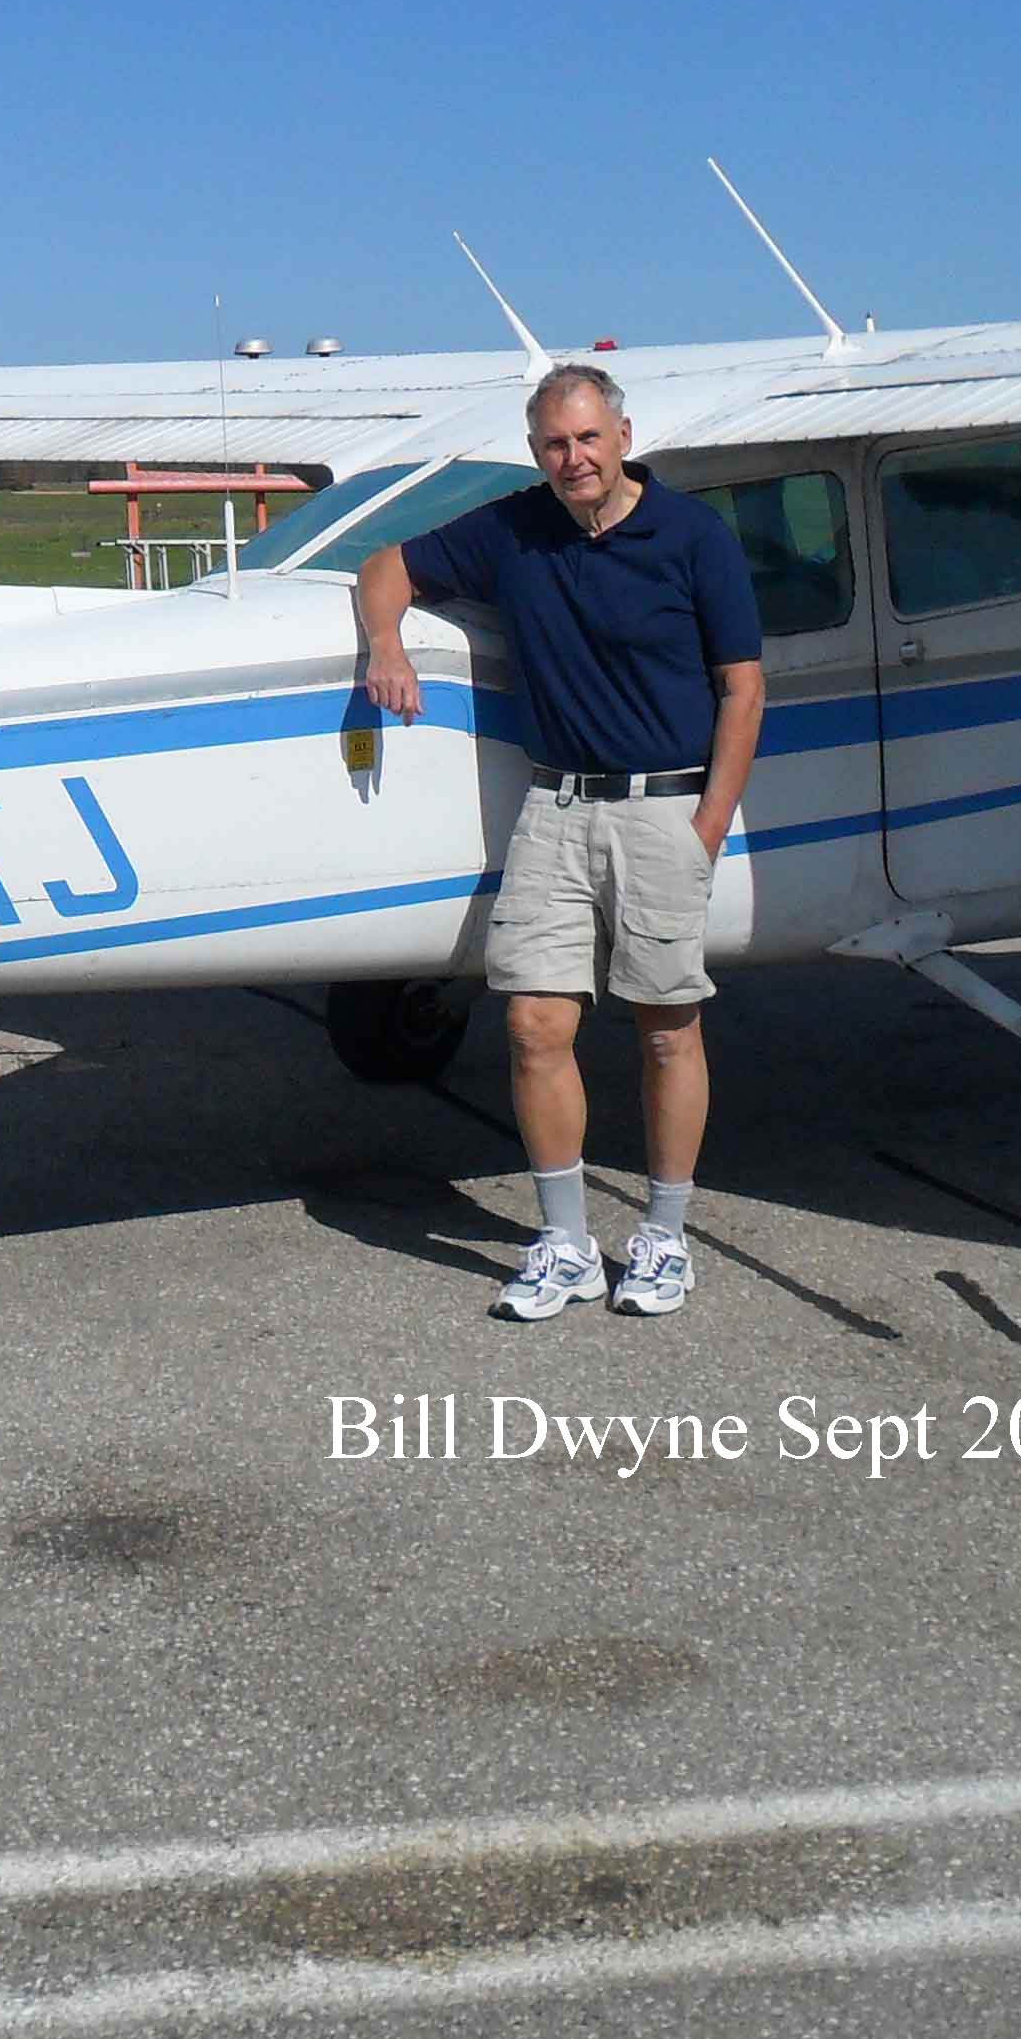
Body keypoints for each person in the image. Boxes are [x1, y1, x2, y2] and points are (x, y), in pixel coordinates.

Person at [352, 364, 765, 1321]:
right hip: (555, 809)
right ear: (536, 452)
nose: (571, 459)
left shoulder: (695, 538)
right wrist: (386, 643)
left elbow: (742, 689)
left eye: (586, 439)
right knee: (535, 1027)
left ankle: (663, 1235)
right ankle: (566, 1243)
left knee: (668, 1030)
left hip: (666, 808)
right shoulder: (516, 527)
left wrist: (706, 824)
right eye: (552, 445)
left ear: (622, 435)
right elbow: (388, 566)